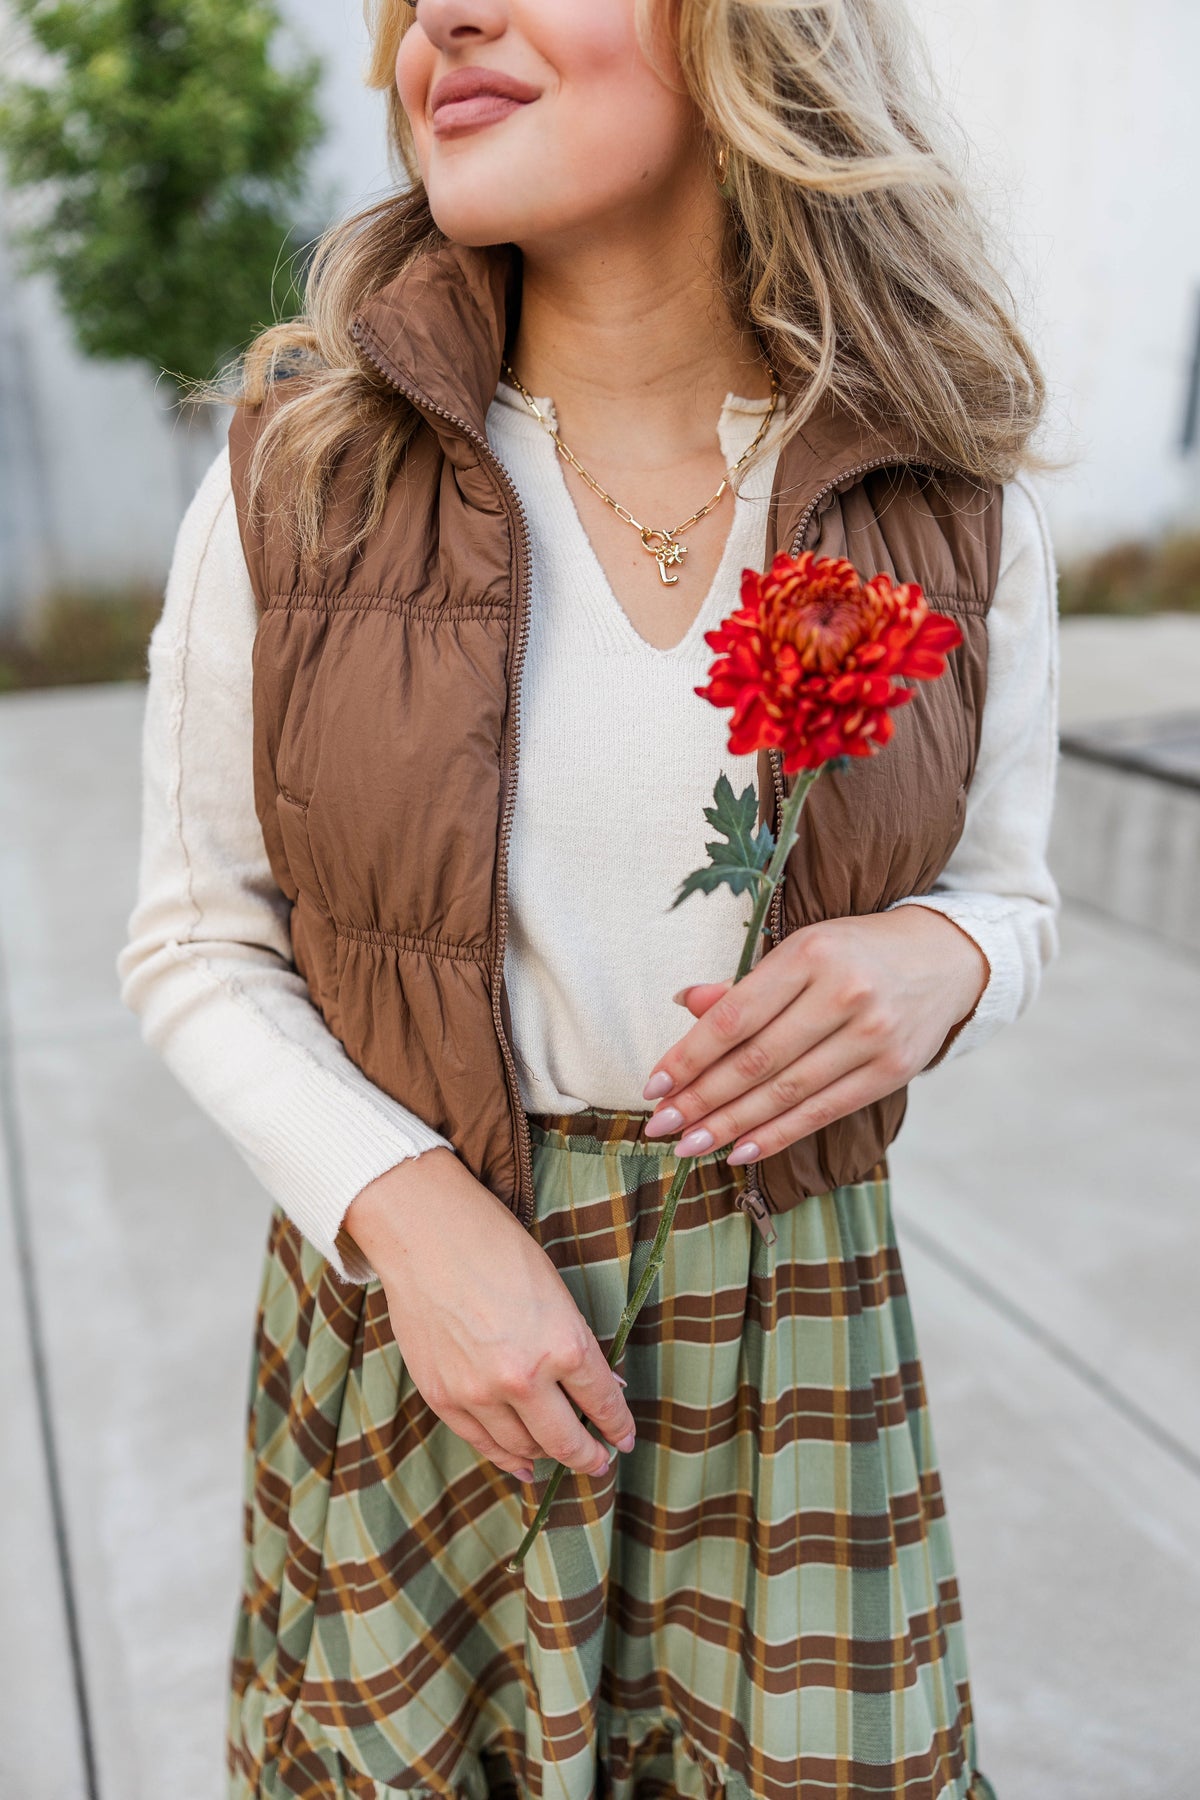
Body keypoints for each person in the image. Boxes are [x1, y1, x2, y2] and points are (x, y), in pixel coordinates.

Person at [116, 1, 1061, 1795]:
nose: (440, 20)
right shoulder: (303, 475)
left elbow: (1010, 892)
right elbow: (195, 940)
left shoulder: (952, 491)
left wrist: (942, 956)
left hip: (794, 1364)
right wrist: (412, 1217)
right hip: (429, 1356)